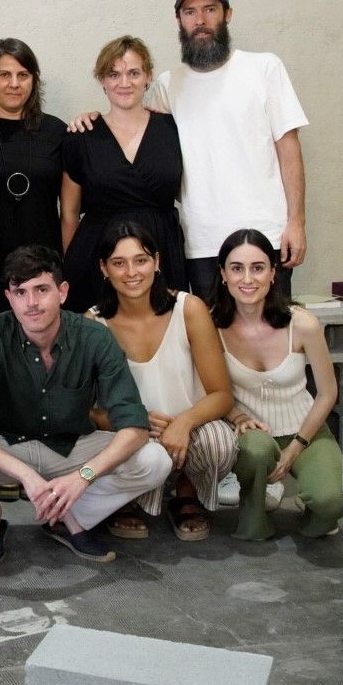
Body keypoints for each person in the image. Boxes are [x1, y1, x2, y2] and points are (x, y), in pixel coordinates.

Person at [0, 245, 171, 567]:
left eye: (42, 289)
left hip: (73, 446)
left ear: (62, 292)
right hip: (9, 445)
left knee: (155, 460)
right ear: (9, 298)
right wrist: (27, 477)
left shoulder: (93, 337)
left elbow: (135, 428)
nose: (31, 303)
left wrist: (82, 477)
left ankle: (70, 517)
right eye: (21, 292)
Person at [86, 221, 235, 541]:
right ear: (103, 268)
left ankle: (186, 493)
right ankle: (126, 500)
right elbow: (81, 408)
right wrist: (114, 419)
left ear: (157, 262)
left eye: (140, 260)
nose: (131, 272)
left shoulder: (189, 309)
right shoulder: (94, 321)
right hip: (131, 433)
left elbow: (222, 395)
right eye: (118, 263)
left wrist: (184, 422)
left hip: (190, 431)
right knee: (119, 443)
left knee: (220, 441)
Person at [165, 0, 308, 299]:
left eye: (209, 9)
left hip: (265, 236)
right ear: (179, 20)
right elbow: (135, 133)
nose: (199, 20)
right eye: (190, 12)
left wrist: (296, 222)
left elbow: (289, 148)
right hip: (201, 241)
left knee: (271, 338)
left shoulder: (265, 68)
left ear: (227, 14)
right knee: (210, 344)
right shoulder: (166, 85)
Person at [210, 229, 341, 540]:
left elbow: (328, 392)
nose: (248, 279)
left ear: (272, 273)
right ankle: (253, 508)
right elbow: (208, 389)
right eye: (237, 268)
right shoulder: (211, 325)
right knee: (256, 450)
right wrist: (237, 418)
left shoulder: (303, 324)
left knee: (330, 502)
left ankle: (314, 510)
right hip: (250, 433)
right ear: (223, 275)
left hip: (304, 429)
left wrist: (295, 448)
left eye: (258, 268)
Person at [61, 36, 186, 312]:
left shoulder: (173, 130)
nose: (124, 83)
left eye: (133, 73)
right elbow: (69, 212)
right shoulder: (81, 136)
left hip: (160, 250)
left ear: (148, 77)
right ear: (102, 81)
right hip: (97, 256)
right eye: (113, 74)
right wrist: (73, 262)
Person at [0, 39, 66, 326]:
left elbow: (71, 208)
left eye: (23, 75)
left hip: (44, 265)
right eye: (4, 75)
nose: (14, 84)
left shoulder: (57, 131)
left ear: (34, 81)